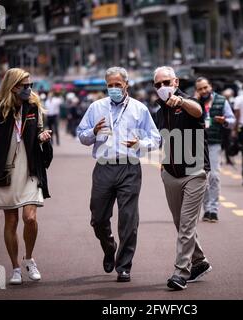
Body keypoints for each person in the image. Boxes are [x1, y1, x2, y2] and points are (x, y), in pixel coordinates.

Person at [77, 67, 160, 283]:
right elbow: (81, 136)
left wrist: (140, 144)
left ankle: (124, 266)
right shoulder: (96, 107)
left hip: (130, 167)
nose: (114, 89)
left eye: (117, 85)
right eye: (110, 85)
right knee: (98, 218)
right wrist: (93, 132)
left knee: (128, 219)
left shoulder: (139, 109)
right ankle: (109, 246)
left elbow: (156, 138)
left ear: (126, 85)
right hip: (103, 167)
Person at [0, 68, 52, 285]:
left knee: (30, 218)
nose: (29, 89)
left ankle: (29, 258)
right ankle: (16, 267)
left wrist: (43, 137)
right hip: (5, 171)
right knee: (11, 219)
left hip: (31, 169)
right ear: (13, 86)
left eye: (30, 85)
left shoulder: (34, 107)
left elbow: (40, 134)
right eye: (25, 86)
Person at [154, 66, 212, 291]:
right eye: (158, 84)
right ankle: (200, 262)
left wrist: (181, 101)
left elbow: (198, 111)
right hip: (170, 174)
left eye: (166, 82)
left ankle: (180, 272)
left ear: (176, 82)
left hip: (195, 173)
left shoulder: (187, 103)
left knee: (187, 225)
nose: (162, 87)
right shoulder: (159, 111)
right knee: (180, 224)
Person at [195, 77, 235, 222]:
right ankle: (207, 209)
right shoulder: (194, 102)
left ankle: (214, 209)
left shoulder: (222, 101)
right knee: (202, 178)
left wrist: (224, 121)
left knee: (214, 176)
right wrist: (194, 101)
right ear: (197, 91)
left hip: (214, 143)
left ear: (210, 86)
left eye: (205, 87)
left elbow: (232, 121)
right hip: (197, 144)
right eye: (200, 89)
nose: (203, 91)